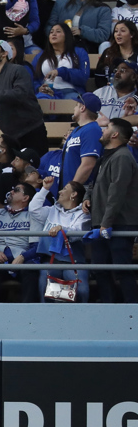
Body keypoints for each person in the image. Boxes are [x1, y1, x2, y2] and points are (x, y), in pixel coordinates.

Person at [87, 117, 138, 303]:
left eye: (107, 127)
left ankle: (131, 310)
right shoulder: (105, 157)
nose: (102, 130)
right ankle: (108, 307)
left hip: (119, 224)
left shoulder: (122, 157)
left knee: (122, 269)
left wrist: (106, 223)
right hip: (102, 223)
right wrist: (87, 198)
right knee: (100, 270)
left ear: (115, 134)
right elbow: (93, 184)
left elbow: (117, 193)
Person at [30, 177, 91, 302]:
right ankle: (47, 312)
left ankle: (78, 313)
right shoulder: (52, 210)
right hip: (51, 261)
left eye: (64, 189)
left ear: (73, 194)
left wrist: (62, 229)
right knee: (45, 286)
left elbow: (78, 233)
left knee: (81, 290)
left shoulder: (83, 213)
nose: (59, 192)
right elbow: (33, 209)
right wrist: (44, 189)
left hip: (73, 262)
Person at [0, 182, 36, 301]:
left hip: (22, 259)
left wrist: (23, 257)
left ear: (25, 198)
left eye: (16, 190)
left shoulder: (32, 216)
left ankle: (28, 310)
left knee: (31, 271)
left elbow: (37, 245)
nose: (11, 192)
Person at [45, 0, 112, 54]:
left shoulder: (103, 9)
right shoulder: (61, 3)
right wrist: (59, 33)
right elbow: (49, 26)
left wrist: (82, 31)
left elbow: (103, 35)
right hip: (59, 46)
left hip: (87, 48)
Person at [56, 92, 103, 195]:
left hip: (80, 192)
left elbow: (88, 165)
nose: (74, 108)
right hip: (69, 189)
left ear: (82, 108)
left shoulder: (92, 130)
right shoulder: (77, 130)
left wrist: (71, 190)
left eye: (76, 105)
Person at [31, 22, 91, 100]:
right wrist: (38, 88)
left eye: (58, 31)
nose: (54, 34)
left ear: (67, 35)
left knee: (73, 103)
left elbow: (83, 76)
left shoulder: (79, 52)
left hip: (70, 91)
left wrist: (61, 72)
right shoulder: (40, 56)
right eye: (51, 32)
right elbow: (32, 78)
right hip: (47, 92)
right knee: (40, 101)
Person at [95, 20, 138, 87]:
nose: (118, 34)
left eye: (123, 31)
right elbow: (99, 77)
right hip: (111, 90)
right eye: (116, 31)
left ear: (132, 34)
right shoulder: (108, 52)